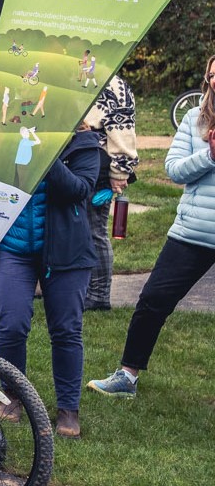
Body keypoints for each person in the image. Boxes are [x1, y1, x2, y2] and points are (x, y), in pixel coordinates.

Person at [89, 55, 215, 400]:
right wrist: (209, 156)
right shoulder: (193, 119)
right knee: (153, 300)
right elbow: (174, 170)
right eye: (213, 74)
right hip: (194, 230)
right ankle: (126, 377)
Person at [0, 123, 102, 437]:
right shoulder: (2, 134)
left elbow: (79, 191)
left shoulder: (84, 143)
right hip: (12, 247)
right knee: (12, 323)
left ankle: (68, 408)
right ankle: (11, 395)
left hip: (66, 252)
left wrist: (45, 154)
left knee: (66, 328)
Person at [82, 74, 140, 310]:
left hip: (99, 166)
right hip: (79, 161)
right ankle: (87, 289)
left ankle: (99, 295)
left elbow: (123, 130)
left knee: (95, 230)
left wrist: (120, 171)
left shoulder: (113, 83)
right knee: (81, 230)